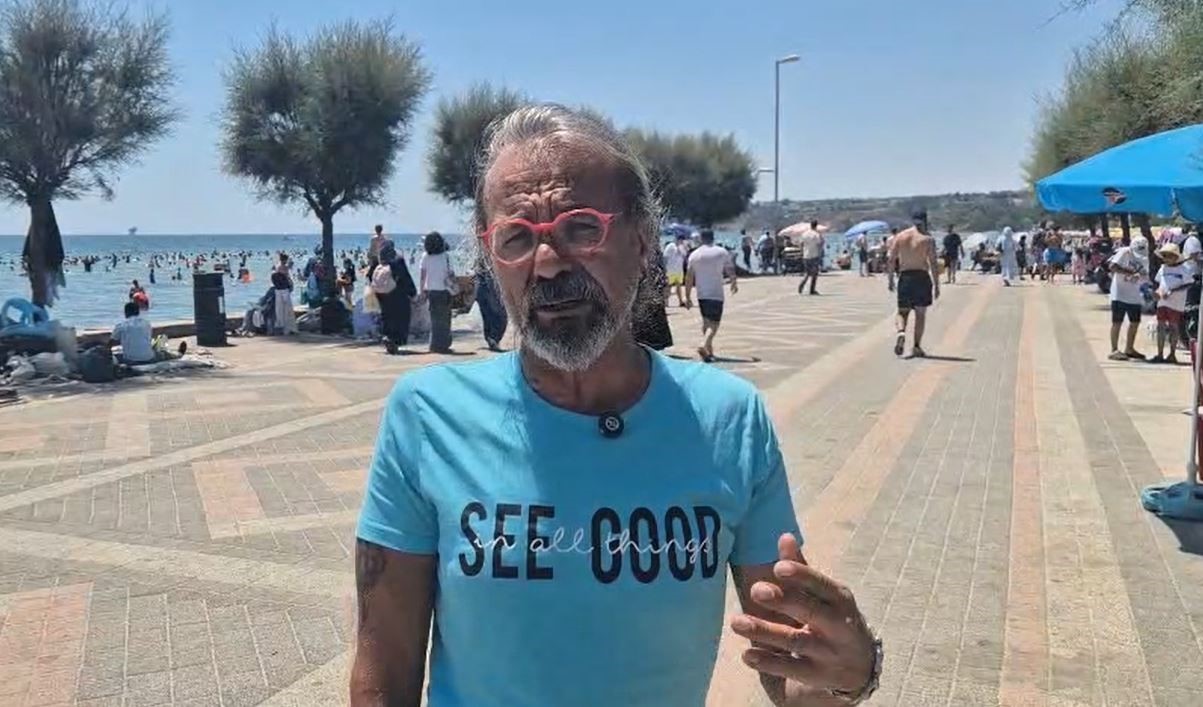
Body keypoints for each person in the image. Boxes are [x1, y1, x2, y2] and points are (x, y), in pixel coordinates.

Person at [351, 104, 879, 707]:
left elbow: (792, 669)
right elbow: (383, 672)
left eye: (581, 229)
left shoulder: (730, 418)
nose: (548, 262)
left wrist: (850, 672)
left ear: (643, 238)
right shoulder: (427, 415)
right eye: (517, 238)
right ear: (490, 257)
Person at [887, 209, 940, 357]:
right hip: (921, 277)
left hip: (905, 276)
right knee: (920, 314)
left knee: (902, 311)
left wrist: (890, 279)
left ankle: (901, 333)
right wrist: (937, 285)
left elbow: (891, 260)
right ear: (925, 220)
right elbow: (933, 263)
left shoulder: (901, 236)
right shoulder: (927, 239)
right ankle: (916, 346)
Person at [684, 228, 738, 362]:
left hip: (702, 293)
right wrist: (734, 282)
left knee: (706, 322)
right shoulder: (721, 252)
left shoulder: (694, 254)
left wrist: (687, 296)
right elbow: (730, 269)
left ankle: (709, 352)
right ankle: (704, 344)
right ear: (713, 238)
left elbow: (689, 277)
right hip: (716, 293)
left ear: (701, 238)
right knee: (714, 324)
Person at [1107, 236, 1149, 361]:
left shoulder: (1144, 257)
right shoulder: (1125, 252)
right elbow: (1112, 266)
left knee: (1135, 321)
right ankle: (1114, 349)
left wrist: (1141, 277)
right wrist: (1129, 272)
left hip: (1134, 294)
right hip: (1119, 293)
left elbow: (1145, 274)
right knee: (1117, 321)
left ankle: (1129, 348)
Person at [371, 242, 417, 353]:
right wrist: (413, 293)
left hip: (382, 295)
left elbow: (370, 278)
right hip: (396, 295)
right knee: (400, 318)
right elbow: (406, 278)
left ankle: (387, 336)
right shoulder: (398, 262)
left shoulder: (379, 265)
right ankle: (395, 341)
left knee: (386, 317)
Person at [1152, 243, 1190, 364]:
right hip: (1162, 302)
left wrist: (1173, 291)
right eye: (1164, 256)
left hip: (1176, 303)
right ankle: (1160, 353)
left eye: (1169, 255)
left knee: (1174, 327)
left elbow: (1188, 284)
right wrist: (1157, 292)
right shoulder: (1162, 268)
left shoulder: (1183, 269)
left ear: (1175, 257)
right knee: (1161, 327)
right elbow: (1158, 282)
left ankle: (1172, 353)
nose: (1166, 258)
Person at [419, 231, 455, 353]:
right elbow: (451, 273)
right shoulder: (446, 256)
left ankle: (434, 344)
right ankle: (444, 344)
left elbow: (422, 276)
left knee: (434, 319)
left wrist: (422, 291)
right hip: (444, 290)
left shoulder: (425, 256)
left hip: (431, 290)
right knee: (445, 318)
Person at [474, 261, 507, 351]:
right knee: (500, 316)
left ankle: (491, 339)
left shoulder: (480, 261)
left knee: (487, 317)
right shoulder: (491, 261)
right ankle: (494, 339)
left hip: (480, 291)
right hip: (489, 290)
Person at [270, 256, 298, 335]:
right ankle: (288, 328)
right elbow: (288, 279)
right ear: (285, 260)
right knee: (287, 309)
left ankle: (280, 327)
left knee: (279, 309)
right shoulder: (284, 268)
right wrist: (291, 286)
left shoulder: (276, 267)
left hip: (278, 290)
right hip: (284, 290)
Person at [796, 220, 824, 295]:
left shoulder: (804, 234)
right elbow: (819, 244)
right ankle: (812, 289)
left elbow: (800, 244)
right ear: (816, 226)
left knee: (807, 273)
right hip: (814, 255)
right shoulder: (816, 234)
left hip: (806, 255)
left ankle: (802, 284)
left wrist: (802, 251)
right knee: (814, 274)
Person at [662, 234, 688, 307]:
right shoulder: (670, 246)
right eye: (681, 240)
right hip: (670, 270)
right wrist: (664, 268)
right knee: (668, 287)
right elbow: (665, 257)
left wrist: (683, 247)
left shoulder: (682, 247)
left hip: (679, 270)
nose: (682, 241)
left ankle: (680, 301)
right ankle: (665, 302)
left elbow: (684, 256)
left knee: (679, 286)